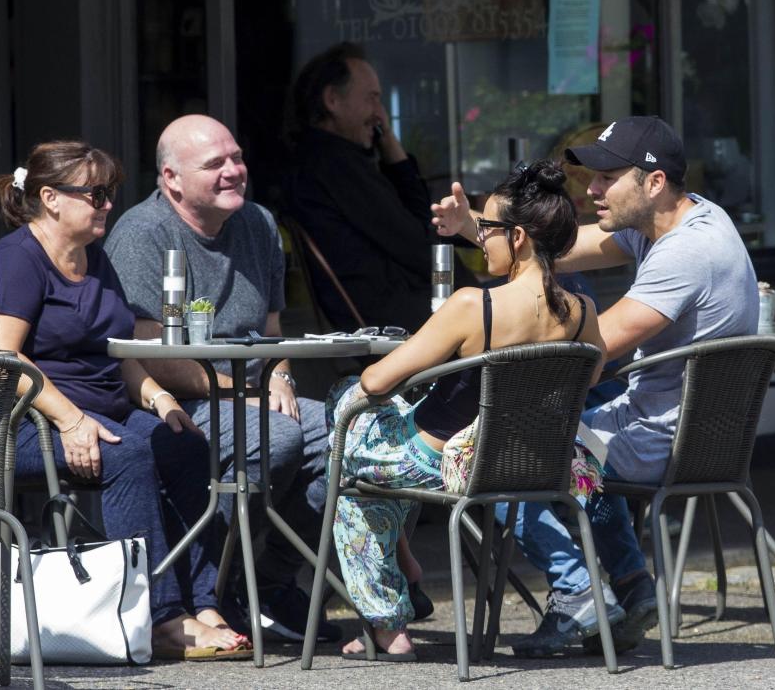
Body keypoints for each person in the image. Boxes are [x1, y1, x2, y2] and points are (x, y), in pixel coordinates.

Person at [431, 116, 759, 657]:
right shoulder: (686, 219)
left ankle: (576, 592)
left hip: (665, 440)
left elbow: (588, 350)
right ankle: (631, 585)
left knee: (497, 455)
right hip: (679, 424)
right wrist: (478, 227)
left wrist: (481, 336)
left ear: (653, 183)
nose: (592, 189)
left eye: (608, 177)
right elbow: (555, 250)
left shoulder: (685, 254)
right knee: (579, 421)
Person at [0, 141, 249, 661]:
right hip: (19, 421)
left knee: (184, 445)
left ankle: (201, 603)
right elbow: (4, 360)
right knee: (128, 455)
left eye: (110, 193)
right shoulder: (18, 261)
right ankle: (158, 617)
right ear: (50, 198)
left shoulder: (94, 258)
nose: (109, 204)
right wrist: (70, 421)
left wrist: (160, 400)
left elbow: (114, 351)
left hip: (98, 408)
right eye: (96, 194)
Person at [328, 159, 622, 660]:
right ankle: (402, 565)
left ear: (520, 238)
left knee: (346, 421)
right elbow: (589, 375)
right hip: (528, 464)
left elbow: (376, 379)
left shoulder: (473, 305)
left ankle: (388, 625)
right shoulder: (583, 312)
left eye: (487, 228)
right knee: (375, 463)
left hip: (443, 462)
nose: (480, 238)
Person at [105, 114, 344, 643]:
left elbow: (274, 334)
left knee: (348, 432)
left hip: (251, 392)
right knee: (276, 438)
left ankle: (270, 580)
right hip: (174, 401)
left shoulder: (258, 223)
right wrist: (248, 393)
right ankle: (212, 586)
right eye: (215, 164)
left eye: (236, 158)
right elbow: (150, 354)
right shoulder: (143, 234)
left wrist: (279, 376)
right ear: (172, 179)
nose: (234, 171)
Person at [285, 41, 477, 332]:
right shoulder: (334, 165)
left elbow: (415, 227)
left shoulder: (329, 159)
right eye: (372, 99)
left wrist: (390, 147)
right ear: (333, 100)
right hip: (399, 322)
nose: (380, 113)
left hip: (405, 309)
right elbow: (418, 244)